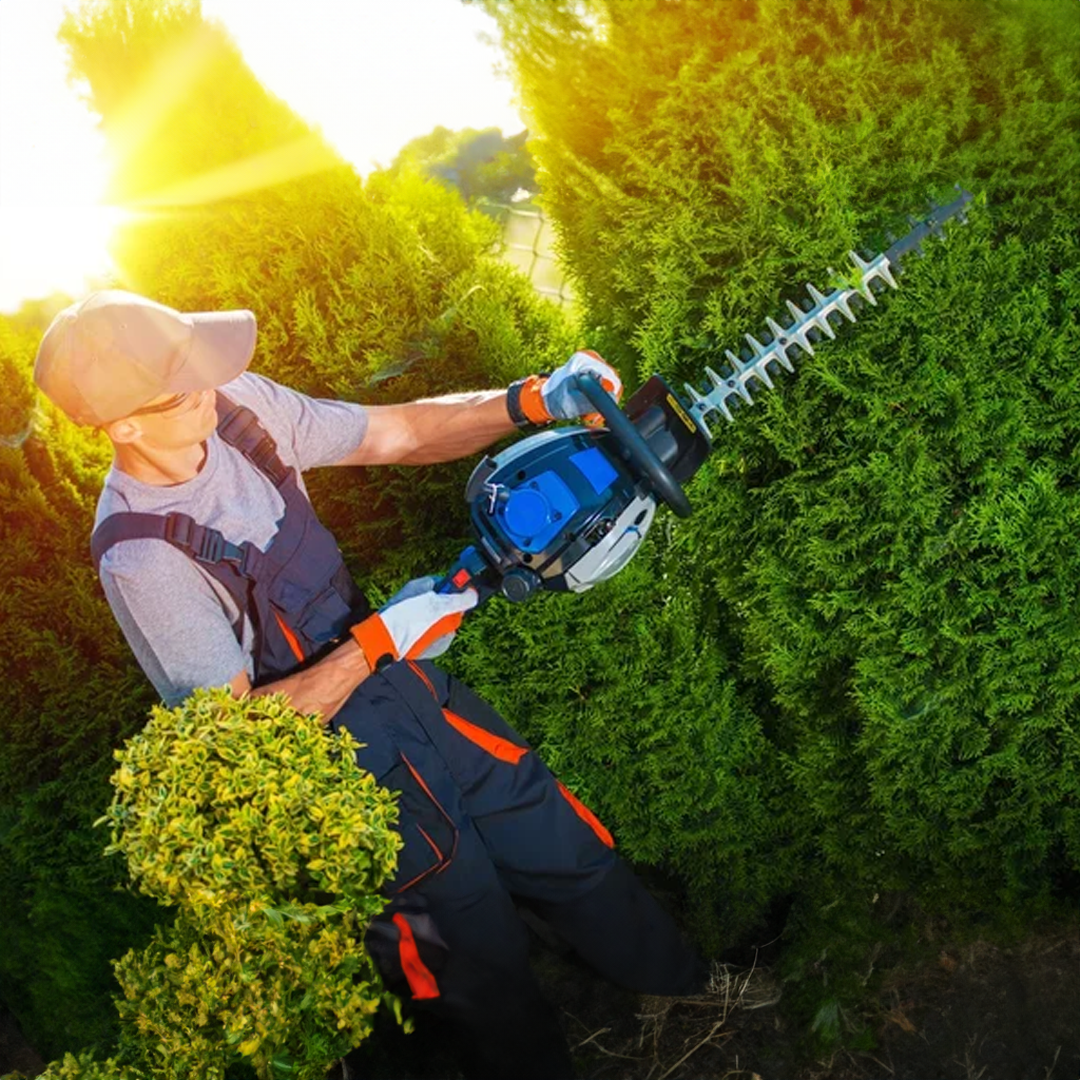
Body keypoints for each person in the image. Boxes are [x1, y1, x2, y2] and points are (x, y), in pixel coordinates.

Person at [34, 290, 707, 1079]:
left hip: (408, 690)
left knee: (557, 837)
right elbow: (242, 739)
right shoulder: (143, 555)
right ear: (123, 424)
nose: (214, 389)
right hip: (338, 770)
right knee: (468, 958)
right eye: (187, 386)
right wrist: (379, 641)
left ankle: (686, 988)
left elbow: (397, 431)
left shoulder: (239, 408)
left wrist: (531, 401)